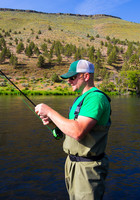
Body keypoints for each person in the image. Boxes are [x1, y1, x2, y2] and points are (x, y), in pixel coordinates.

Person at [35, 59, 111, 200]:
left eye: (73, 77)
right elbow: (72, 128)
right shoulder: (82, 99)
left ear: (86, 76)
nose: (69, 81)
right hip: (73, 165)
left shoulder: (96, 98)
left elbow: (78, 132)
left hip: (87, 168)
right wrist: (54, 124)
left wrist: (49, 111)